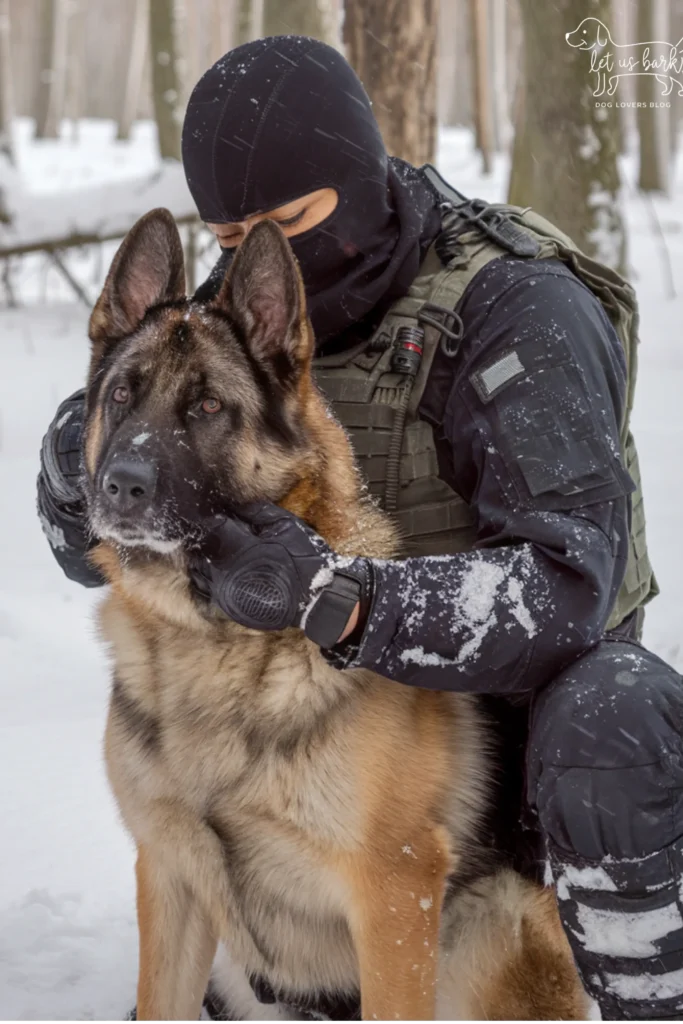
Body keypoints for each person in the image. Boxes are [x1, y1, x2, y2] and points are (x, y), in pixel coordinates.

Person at [37, 36, 683, 1024]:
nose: (261, 258)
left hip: (503, 774)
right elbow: (98, 525)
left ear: (354, 177)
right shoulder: (232, 304)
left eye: (288, 222)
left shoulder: (515, 306)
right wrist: (81, 465)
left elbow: (565, 588)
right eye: (229, 235)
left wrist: (337, 597)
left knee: (616, 719)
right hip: (315, 753)